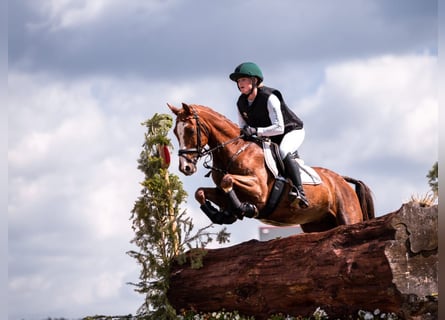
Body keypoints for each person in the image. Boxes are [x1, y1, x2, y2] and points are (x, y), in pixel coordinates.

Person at [229, 62, 309, 208]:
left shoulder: (269, 97)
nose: (240, 83)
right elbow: (243, 128)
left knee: (284, 151)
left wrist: (255, 131)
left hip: (291, 131)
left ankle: (300, 192)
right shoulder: (241, 102)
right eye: (238, 81)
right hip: (269, 137)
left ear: (254, 81)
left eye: (243, 79)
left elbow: (279, 128)